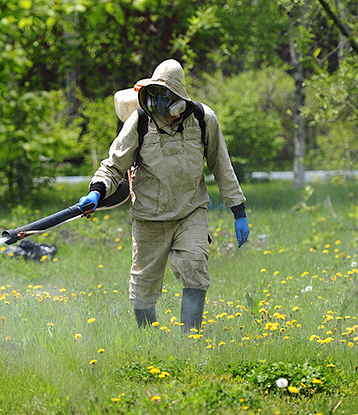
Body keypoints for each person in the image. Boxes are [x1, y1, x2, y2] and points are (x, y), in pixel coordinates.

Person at [78, 59, 249, 332]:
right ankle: (150, 341)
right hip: (149, 216)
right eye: (154, 93)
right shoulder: (140, 121)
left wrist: (238, 210)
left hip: (190, 211)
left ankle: (189, 339)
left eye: (165, 93)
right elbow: (114, 165)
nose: (159, 100)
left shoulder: (204, 120)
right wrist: (96, 192)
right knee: (143, 287)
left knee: (195, 267)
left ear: (178, 94)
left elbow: (222, 166)